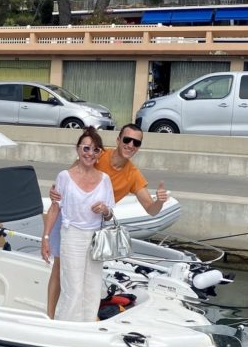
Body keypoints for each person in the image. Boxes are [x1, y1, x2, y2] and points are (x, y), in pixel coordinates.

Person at [45, 123, 169, 318]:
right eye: (127, 140)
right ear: (118, 140)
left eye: (136, 143)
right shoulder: (99, 152)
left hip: (94, 228)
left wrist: (159, 202)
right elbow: (69, 177)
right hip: (69, 220)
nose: (130, 145)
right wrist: (55, 192)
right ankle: (51, 317)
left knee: (90, 280)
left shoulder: (133, 175)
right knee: (61, 268)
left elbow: (150, 209)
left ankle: (84, 319)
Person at [41, 128, 115, 322]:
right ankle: (65, 326)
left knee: (92, 287)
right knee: (72, 287)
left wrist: (105, 210)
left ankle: (87, 326)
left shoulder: (105, 180)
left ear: (99, 154)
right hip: (71, 235)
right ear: (78, 149)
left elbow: (110, 215)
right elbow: (55, 208)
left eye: (95, 150)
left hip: (95, 238)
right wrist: (46, 237)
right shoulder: (64, 177)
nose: (90, 153)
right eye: (86, 148)